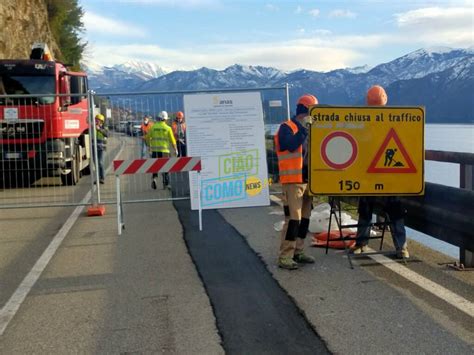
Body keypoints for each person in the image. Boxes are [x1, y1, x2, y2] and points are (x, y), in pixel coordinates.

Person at [350, 85, 409, 259]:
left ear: (367, 102)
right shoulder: (397, 120)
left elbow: (359, 146)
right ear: (385, 99)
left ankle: (361, 243)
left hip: (370, 174)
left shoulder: (363, 122)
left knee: (366, 208)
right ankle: (401, 247)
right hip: (390, 175)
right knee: (395, 210)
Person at [274, 94, 318, 270]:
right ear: (305, 111)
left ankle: (298, 251)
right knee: (293, 219)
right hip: (293, 181)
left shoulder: (309, 129)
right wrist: (304, 130)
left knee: (305, 219)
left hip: (308, 181)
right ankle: (285, 255)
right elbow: (290, 145)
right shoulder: (287, 127)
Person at [146, 111, 177, 189]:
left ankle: (154, 179)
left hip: (155, 151)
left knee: (155, 166)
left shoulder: (153, 127)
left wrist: (149, 147)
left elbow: (147, 137)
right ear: (165, 119)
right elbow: (173, 140)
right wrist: (175, 150)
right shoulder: (168, 128)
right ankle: (166, 184)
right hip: (165, 152)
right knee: (165, 167)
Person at [94, 113, 108, 184]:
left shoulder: (104, 128)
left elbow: (106, 134)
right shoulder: (93, 127)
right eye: (96, 120)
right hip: (94, 147)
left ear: (101, 121)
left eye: (98, 120)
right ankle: (97, 178)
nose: (96, 121)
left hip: (102, 148)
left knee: (100, 162)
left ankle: (102, 178)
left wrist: (99, 129)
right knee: (96, 164)